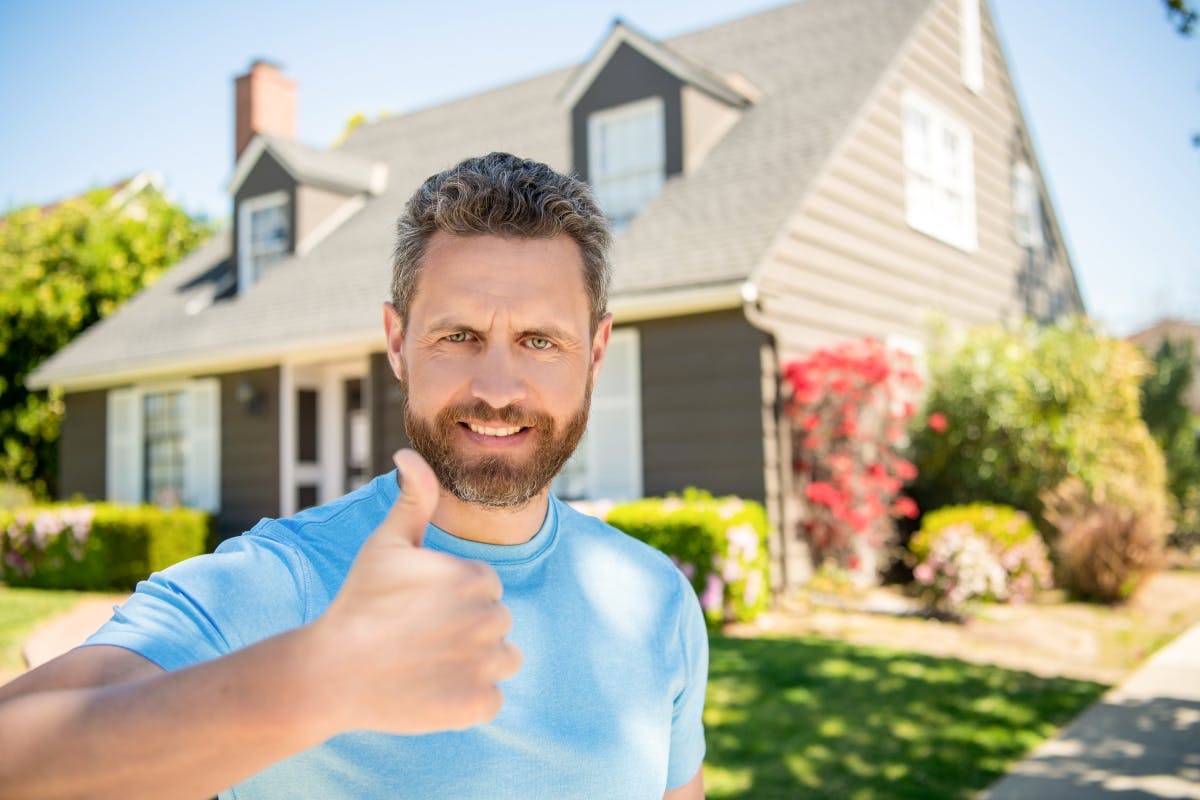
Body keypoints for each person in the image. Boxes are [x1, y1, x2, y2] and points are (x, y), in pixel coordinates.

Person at [0, 153, 708, 799]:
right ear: (398, 343)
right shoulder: (284, 581)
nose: (498, 387)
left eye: (540, 341)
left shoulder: (658, 602)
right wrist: (319, 680)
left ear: (596, 350)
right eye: (458, 336)